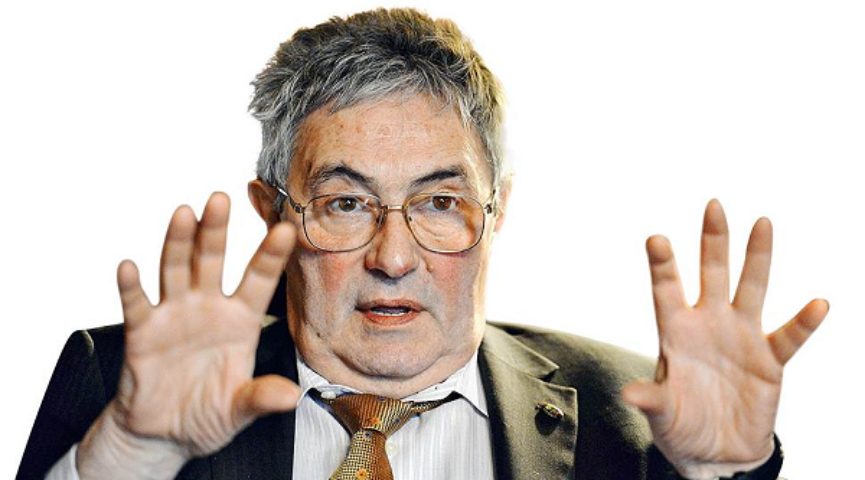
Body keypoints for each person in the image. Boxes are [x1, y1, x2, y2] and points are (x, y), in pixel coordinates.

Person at [18, 8, 827, 480]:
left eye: (439, 203)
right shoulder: (123, 387)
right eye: (344, 203)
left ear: (497, 210)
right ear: (273, 212)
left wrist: (719, 475)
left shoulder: (636, 417)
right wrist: (134, 453)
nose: (393, 258)